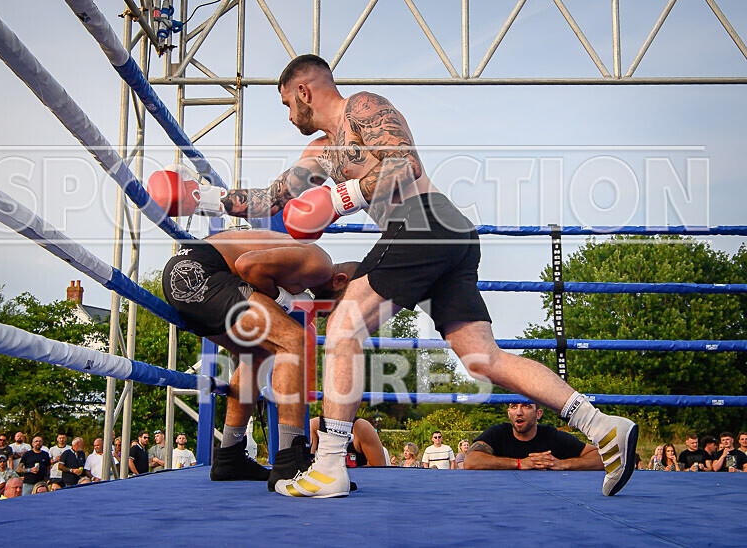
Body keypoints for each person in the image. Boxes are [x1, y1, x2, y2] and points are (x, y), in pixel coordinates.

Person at [187, 54, 637, 497]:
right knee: (484, 360)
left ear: (303, 90)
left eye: (288, 103)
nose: (289, 115)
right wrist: (204, 200)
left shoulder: (361, 108)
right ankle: (601, 425)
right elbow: (270, 197)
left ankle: (328, 466)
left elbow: (405, 164)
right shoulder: (320, 153)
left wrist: (340, 198)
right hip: (444, 236)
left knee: (344, 326)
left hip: (425, 220)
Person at [157, 228, 355, 490]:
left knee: (257, 353)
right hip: (200, 273)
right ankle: (289, 461)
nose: (335, 313)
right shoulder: (320, 264)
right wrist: (281, 299)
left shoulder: (300, 261)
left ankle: (230, 455)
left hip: (189, 275)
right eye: (345, 303)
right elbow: (247, 264)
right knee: (294, 341)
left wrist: (280, 299)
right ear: (340, 280)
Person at [465, 403, 604, 471]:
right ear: (508, 413)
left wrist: (564, 464)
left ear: (538, 414)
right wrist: (519, 463)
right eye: (514, 407)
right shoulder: (498, 432)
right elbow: (470, 460)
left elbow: (601, 457)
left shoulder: (552, 436)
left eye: (526, 406)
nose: (519, 412)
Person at [309, 417, 389, 467]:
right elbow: (307, 463)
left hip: (360, 487)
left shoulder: (362, 428)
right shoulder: (314, 426)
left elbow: (379, 471)